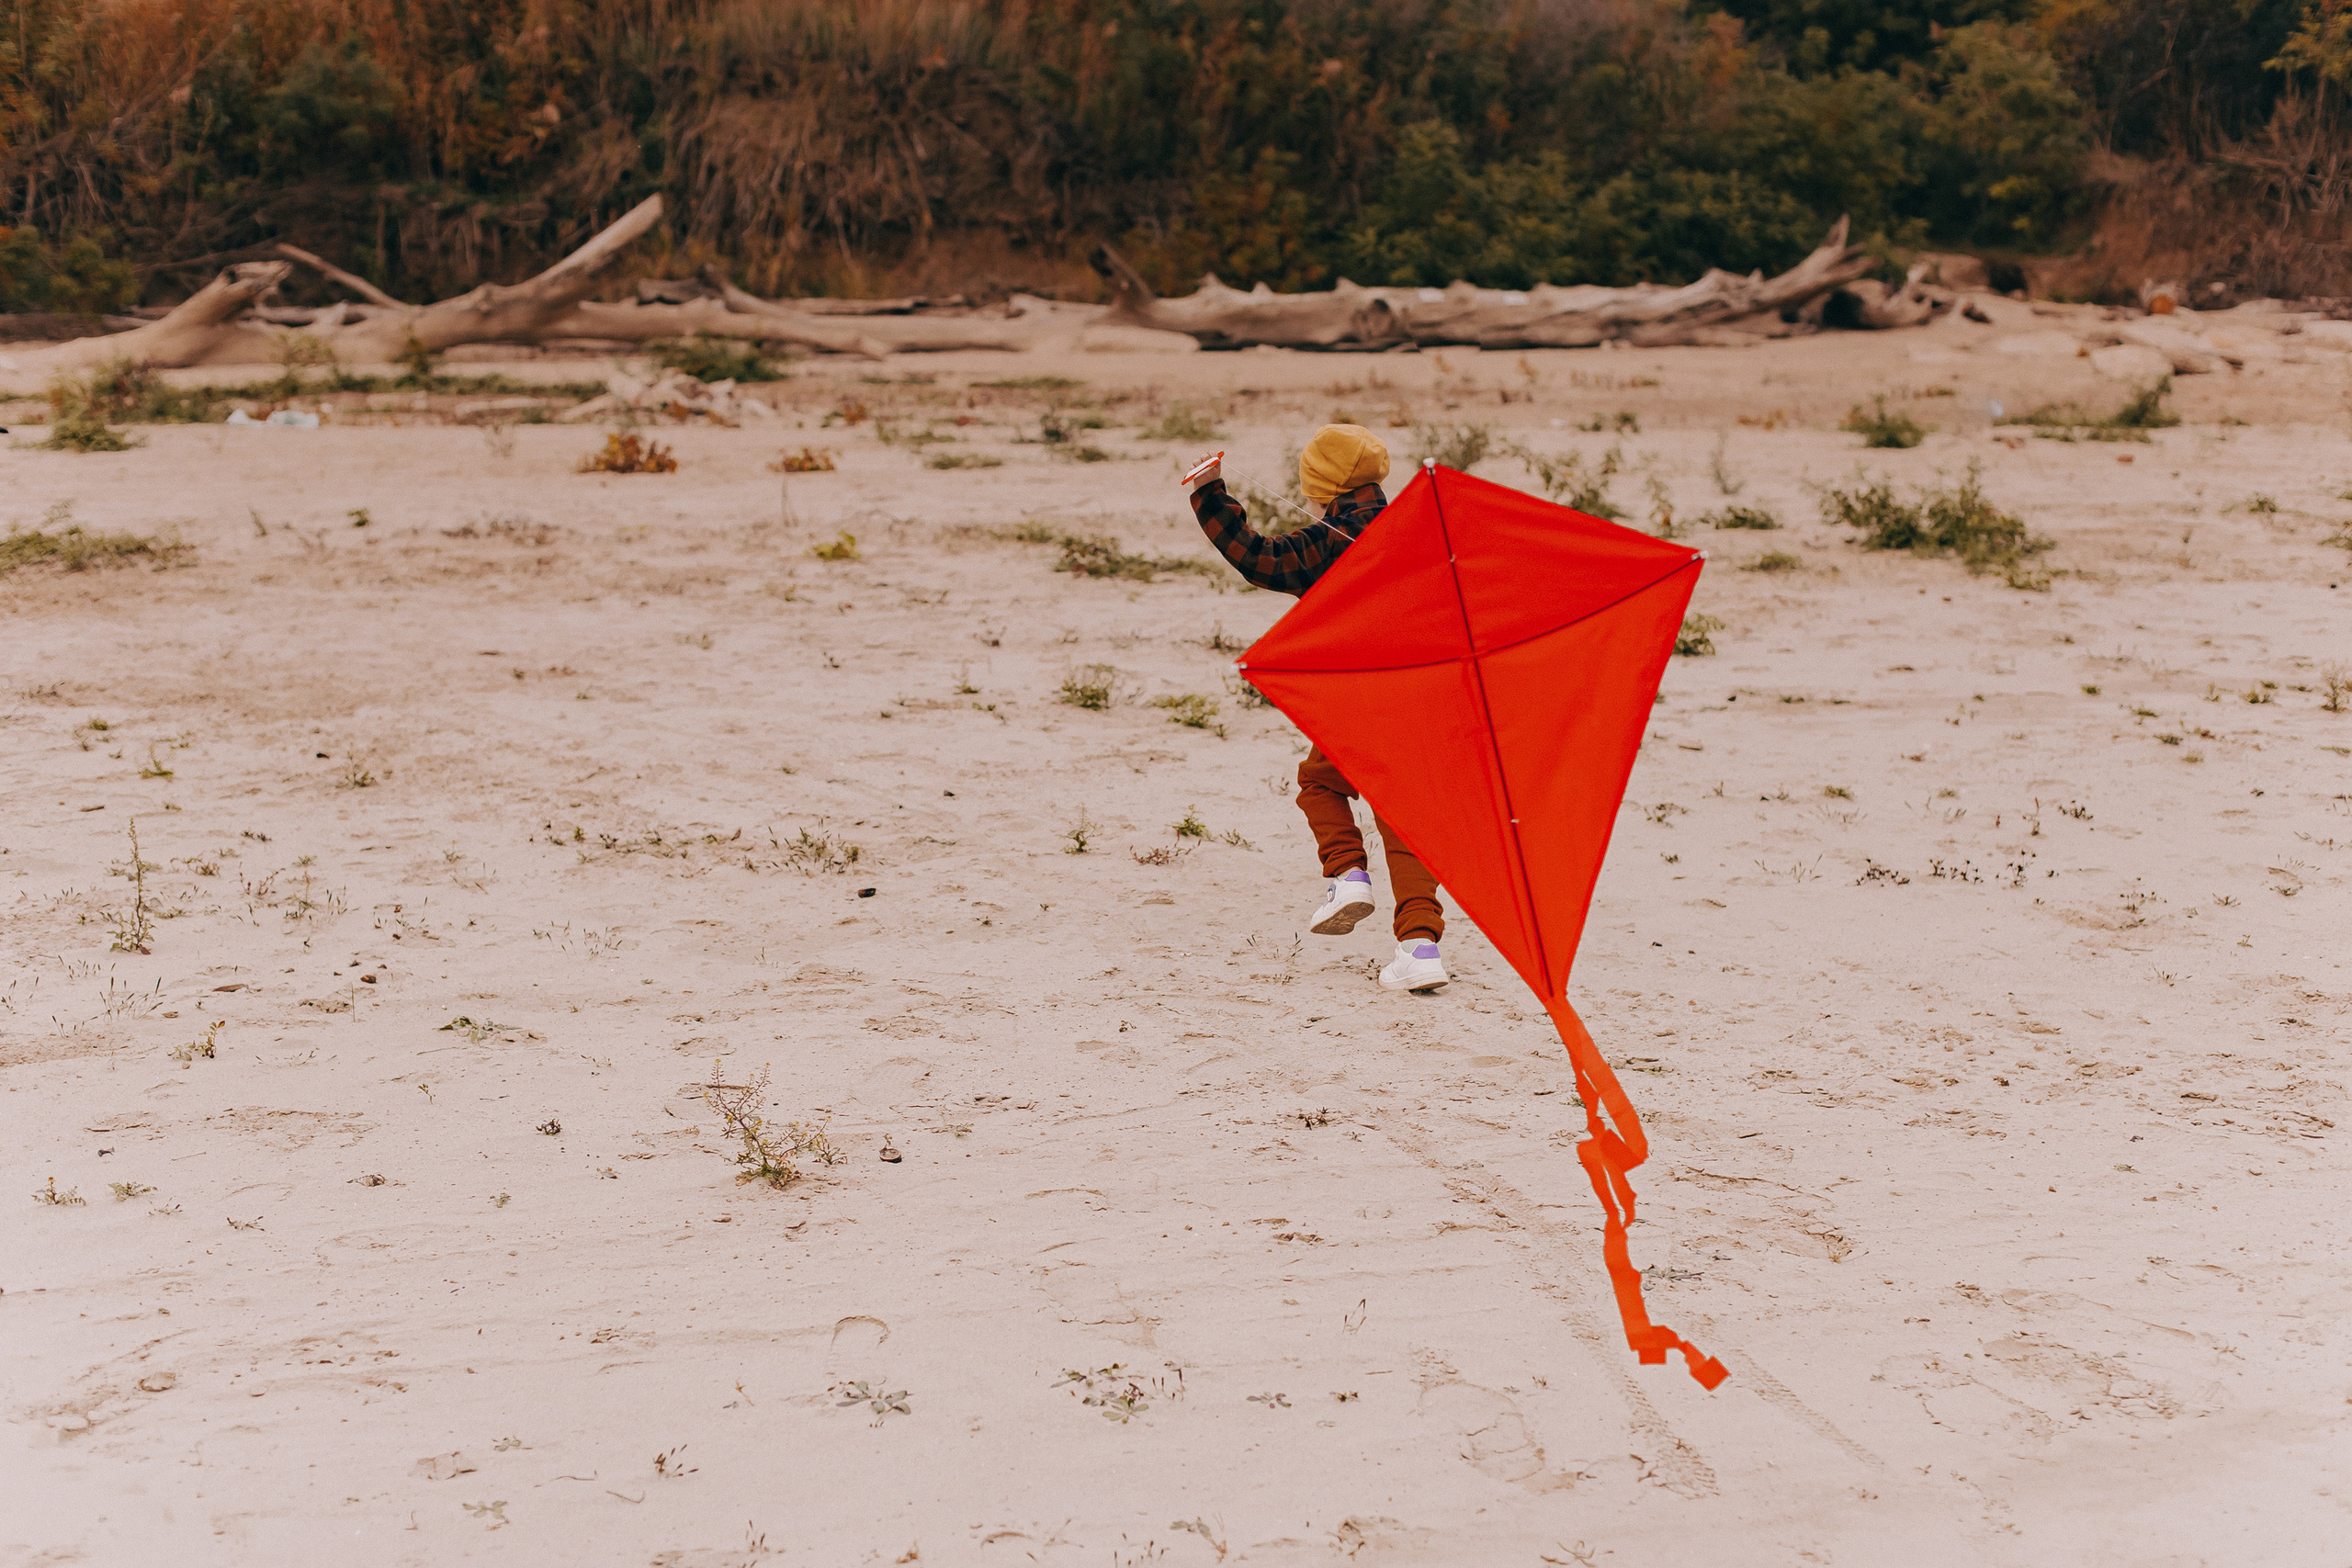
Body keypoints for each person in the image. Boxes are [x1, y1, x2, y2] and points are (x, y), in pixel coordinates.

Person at [1185, 425, 1449, 994]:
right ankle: (1421, 946)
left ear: (1323, 486)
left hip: (1360, 701)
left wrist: (1209, 492)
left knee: (1318, 785)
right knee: (1407, 821)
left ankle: (1348, 875)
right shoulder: (1423, 530)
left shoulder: (1332, 539)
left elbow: (1260, 558)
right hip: (1427, 696)